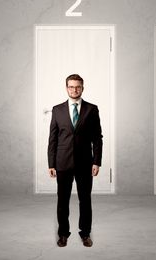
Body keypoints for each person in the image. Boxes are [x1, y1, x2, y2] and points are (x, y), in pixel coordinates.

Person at [48, 74, 103, 247]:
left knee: (85, 200)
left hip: (85, 163)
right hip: (62, 163)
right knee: (62, 200)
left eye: (77, 86)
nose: (74, 90)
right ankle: (63, 233)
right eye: (71, 86)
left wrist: (97, 161)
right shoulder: (57, 110)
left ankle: (85, 233)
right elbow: (53, 139)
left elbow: (97, 138)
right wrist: (51, 163)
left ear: (83, 88)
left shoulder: (92, 109)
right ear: (66, 88)